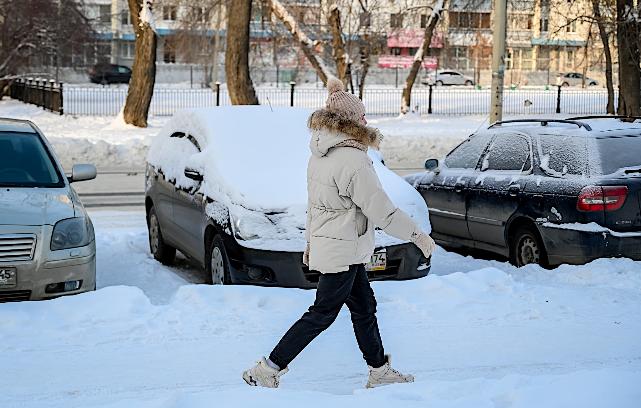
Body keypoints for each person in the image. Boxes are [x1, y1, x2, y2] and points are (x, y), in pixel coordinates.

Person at [242, 77, 436, 389]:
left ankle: (378, 370)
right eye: (361, 116)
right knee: (322, 313)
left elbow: (318, 208)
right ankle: (268, 368)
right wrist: (418, 236)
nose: (366, 121)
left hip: (341, 246)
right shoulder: (353, 160)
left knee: (364, 307)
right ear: (349, 121)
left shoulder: (320, 153)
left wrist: (312, 244)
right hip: (342, 249)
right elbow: (382, 210)